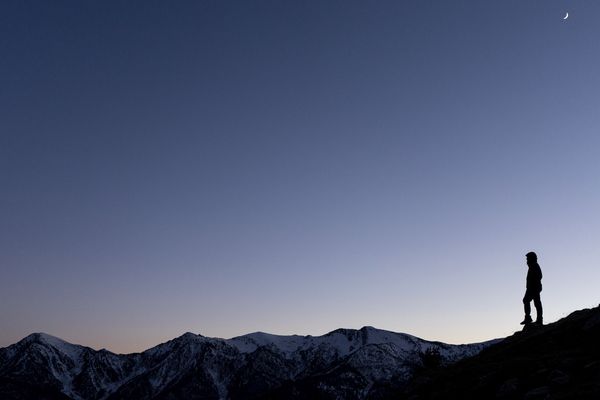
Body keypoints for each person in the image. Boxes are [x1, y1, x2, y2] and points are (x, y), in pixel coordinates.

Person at [520, 251, 543, 325]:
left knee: (533, 302)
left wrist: (533, 285)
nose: (527, 260)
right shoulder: (532, 266)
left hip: (534, 288)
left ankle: (535, 319)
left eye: (528, 258)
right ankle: (533, 318)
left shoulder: (534, 265)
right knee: (534, 302)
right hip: (531, 288)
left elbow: (539, 276)